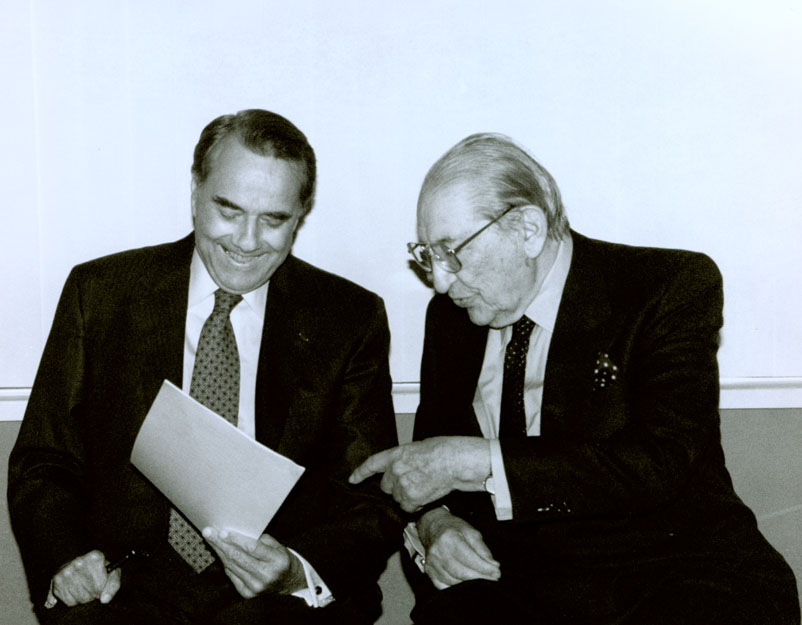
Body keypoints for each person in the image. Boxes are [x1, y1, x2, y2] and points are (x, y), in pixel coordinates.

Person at [350, 133, 800, 624]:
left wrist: (480, 461)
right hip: (519, 584)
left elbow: (660, 461)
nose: (439, 281)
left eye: (451, 252)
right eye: (428, 255)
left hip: (668, 573)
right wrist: (436, 524)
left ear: (527, 229)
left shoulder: (665, 286)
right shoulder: (451, 318)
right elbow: (429, 467)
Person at [8, 109, 402, 625]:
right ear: (195, 191)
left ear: (301, 215)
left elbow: (369, 497)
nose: (247, 240)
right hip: (121, 592)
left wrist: (294, 570)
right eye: (229, 210)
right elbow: (44, 461)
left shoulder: (348, 318)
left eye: (274, 219)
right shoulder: (101, 293)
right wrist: (67, 559)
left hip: (274, 604)